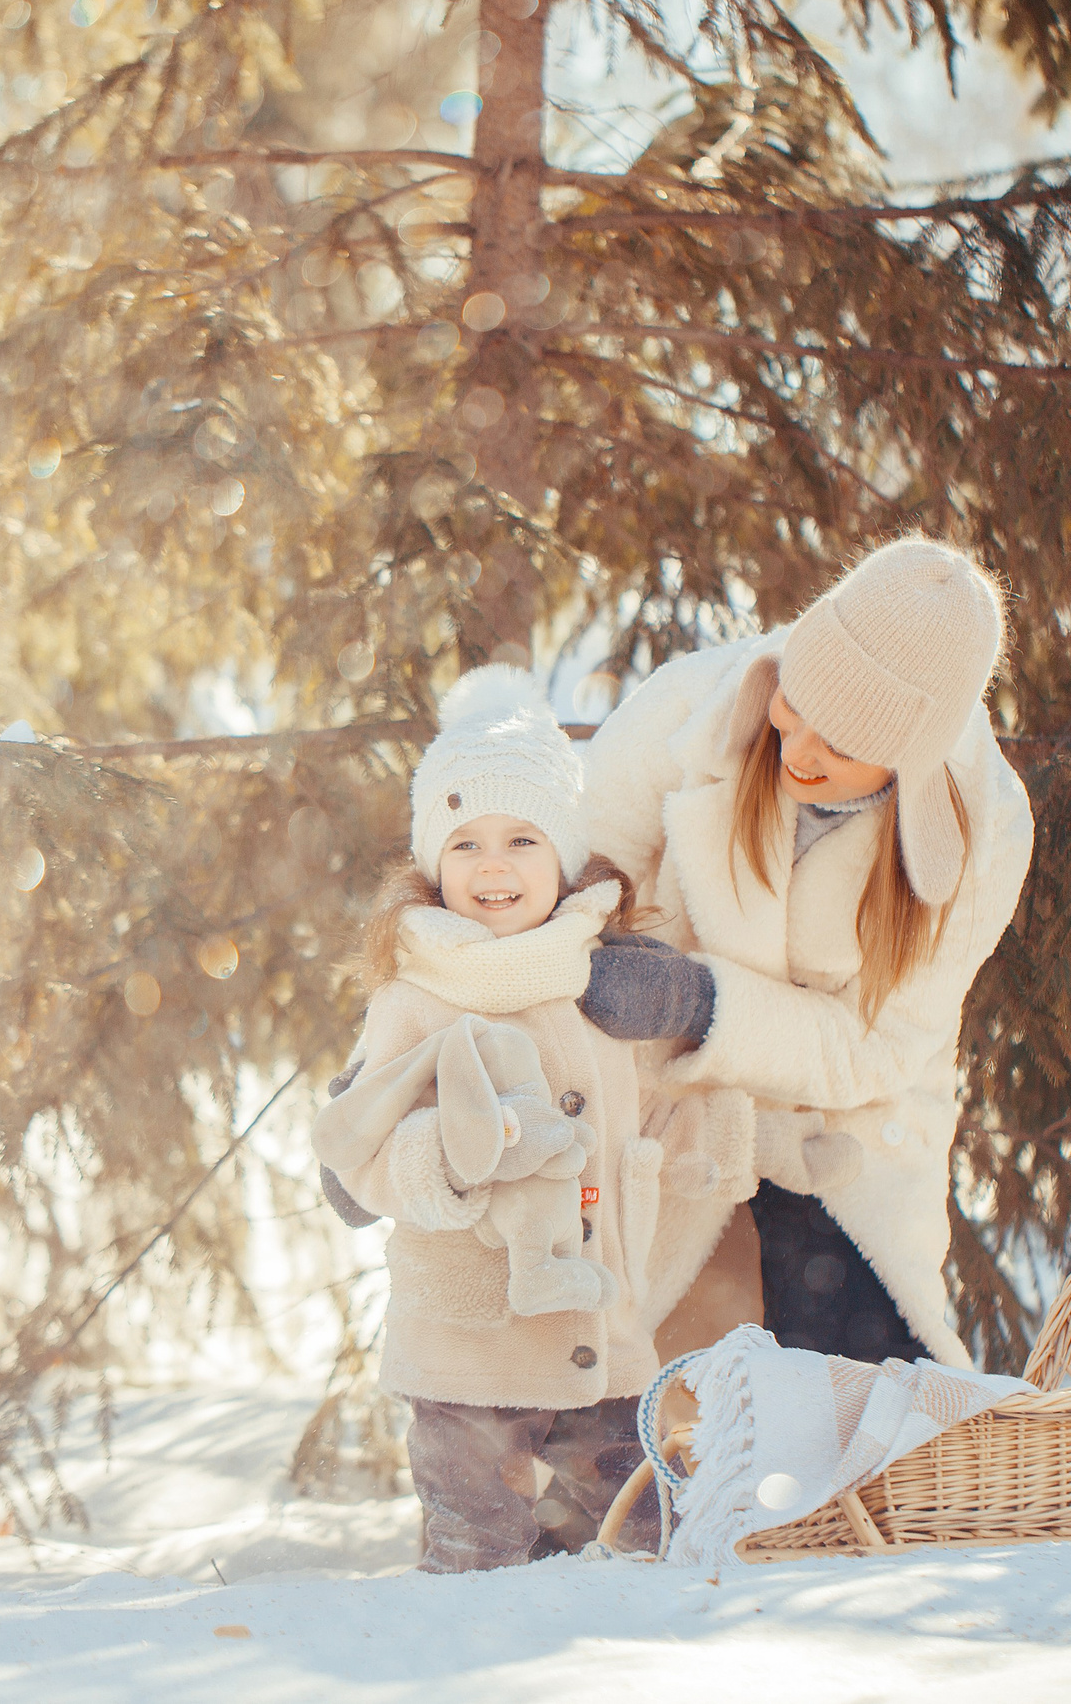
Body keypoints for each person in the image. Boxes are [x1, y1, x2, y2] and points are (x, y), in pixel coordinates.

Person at [310, 666, 752, 1570]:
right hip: (468, 1348)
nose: (494, 864)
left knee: (634, 1543)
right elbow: (360, 1152)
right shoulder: (417, 988)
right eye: (464, 843)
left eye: (521, 837)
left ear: (564, 854)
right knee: (478, 1554)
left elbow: (673, 1095)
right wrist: (439, 1157)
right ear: (433, 863)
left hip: (601, 1336)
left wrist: (684, 1010)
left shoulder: (600, 974)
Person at [574, 536, 1034, 1368]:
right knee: (627, 1381)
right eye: (798, 703)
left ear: (911, 762)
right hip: (667, 1104)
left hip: (844, 1130)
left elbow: (879, 1046)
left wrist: (698, 1003)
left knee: (855, 1394)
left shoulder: (985, 831)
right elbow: (562, 879)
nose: (800, 750)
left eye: (844, 743)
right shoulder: (693, 708)